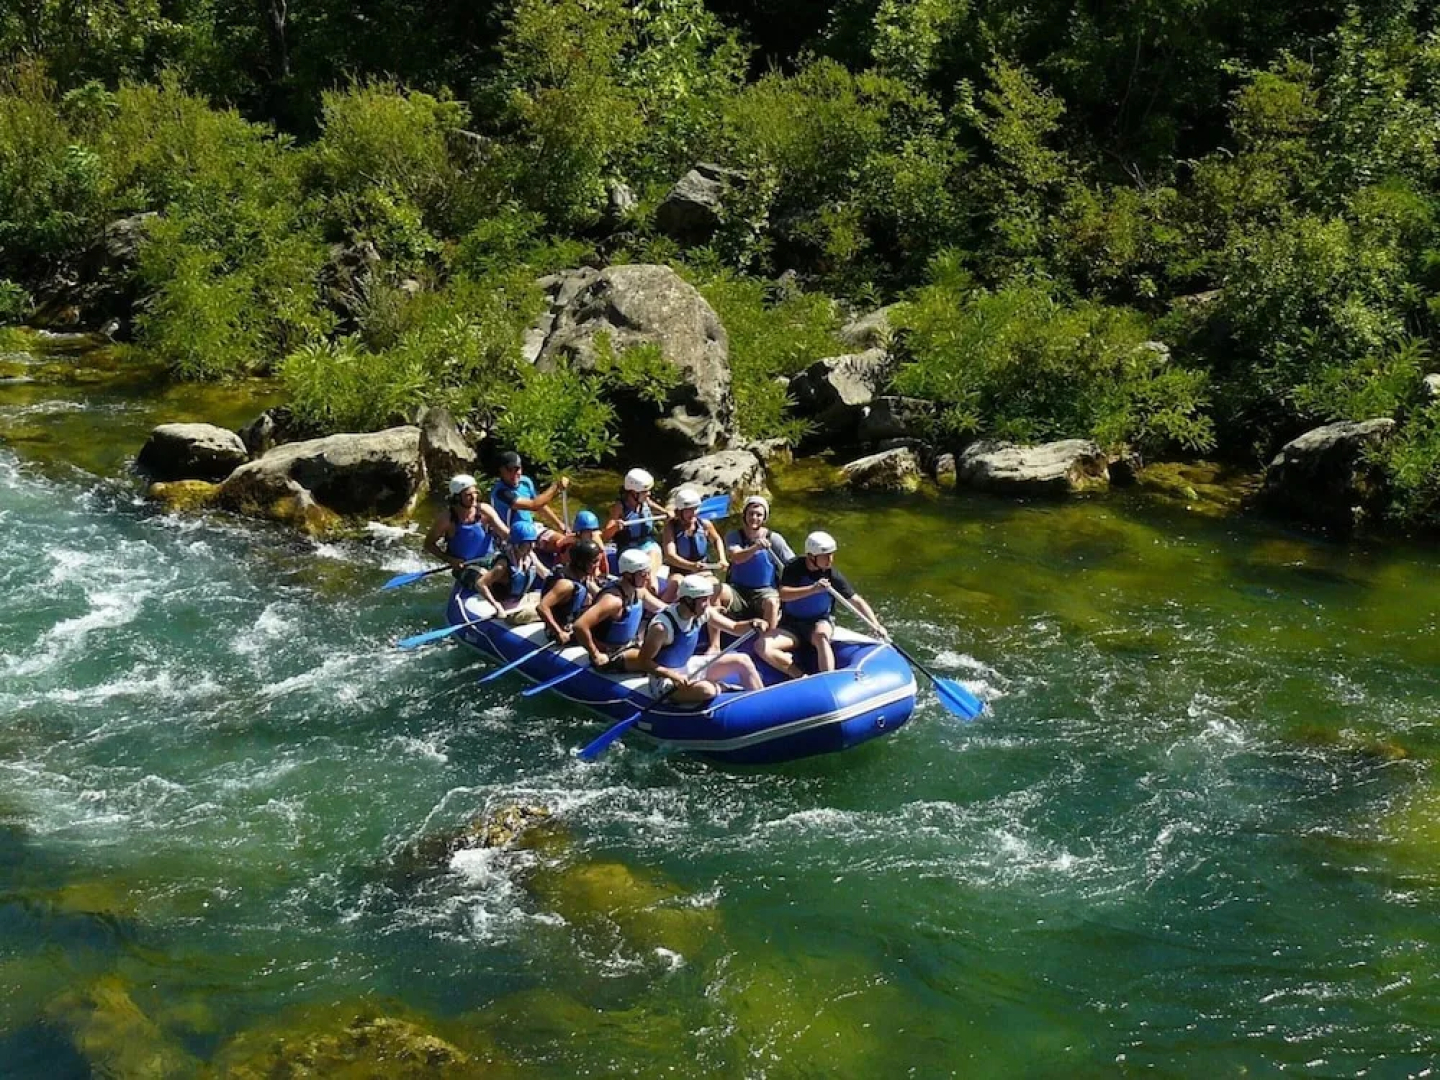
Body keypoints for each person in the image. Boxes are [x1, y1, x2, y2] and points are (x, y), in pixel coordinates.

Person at [757, 530, 886, 678]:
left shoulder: (832, 574)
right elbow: (784, 594)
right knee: (762, 646)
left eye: (831, 555)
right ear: (811, 556)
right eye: (825, 556)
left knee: (821, 637)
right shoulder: (794, 568)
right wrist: (813, 589)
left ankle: (829, 679)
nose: (830, 560)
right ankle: (800, 676)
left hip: (819, 621)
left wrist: (875, 625)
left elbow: (856, 600)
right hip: (791, 625)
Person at [637, 574, 765, 704]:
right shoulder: (662, 627)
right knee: (706, 690)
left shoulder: (702, 613)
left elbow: (734, 628)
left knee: (743, 660)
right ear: (688, 600)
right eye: (704, 600)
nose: (708, 604)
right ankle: (724, 688)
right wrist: (673, 676)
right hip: (663, 680)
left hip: (687, 666)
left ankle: (762, 704)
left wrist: (752, 623)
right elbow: (643, 662)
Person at [571, 547, 666, 673]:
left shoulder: (639, 591)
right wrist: (595, 655)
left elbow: (663, 609)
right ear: (628, 575)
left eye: (648, 573)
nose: (648, 578)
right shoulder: (613, 601)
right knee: (657, 661)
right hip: (611, 655)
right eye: (643, 574)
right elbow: (579, 626)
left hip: (629, 646)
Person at [423, 474, 509, 587]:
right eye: (468, 495)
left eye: (475, 493)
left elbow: (505, 533)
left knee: (510, 576)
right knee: (484, 579)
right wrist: (450, 560)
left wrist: (522, 542)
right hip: (466, 567)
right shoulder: (447, 519)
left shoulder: (484, 511)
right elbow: (429, 544)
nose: (474, 497)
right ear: (457, 497)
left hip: (489, 560)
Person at [724, 495, 795, 630]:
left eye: (759, 515)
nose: (754, 518)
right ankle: (714, 643)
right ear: (744, 514)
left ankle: (767, 641)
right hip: (737, 590)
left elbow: (792, 564)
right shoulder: (734, 536)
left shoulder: (774, 539)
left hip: (765, 592)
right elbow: (737, 557)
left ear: (764, 518)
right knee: (718, 590)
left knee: (772, 603)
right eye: (751, 513)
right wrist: (755, 547)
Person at [661, 487, 730, 602]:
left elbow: (717, 539)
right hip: (680, 570)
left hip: (702, 570)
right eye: (689, 510)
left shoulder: (704, 524)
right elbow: (670, 555)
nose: (693, 513)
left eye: (695, 509)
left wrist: (722, 559)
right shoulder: (671, 527)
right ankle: (658, 613)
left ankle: (712, 612)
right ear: (680, 511)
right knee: (675, 585)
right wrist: (691, 566)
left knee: (714, 586)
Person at [489, 450, 569, 550]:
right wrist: (555, 486)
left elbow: (541, 505)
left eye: (517, 469)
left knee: (565, 544)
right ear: (501, 470)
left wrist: (559, 524)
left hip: (531, 529)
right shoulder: (501, 492)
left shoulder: (525, 482)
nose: (514, 474)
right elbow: (533, 505)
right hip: (513, 536)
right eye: (509, 470)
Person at [474, 519, 546, 624]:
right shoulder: (503, 565)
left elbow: (544, 573)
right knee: (546, 610)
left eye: (533, 542)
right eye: (528, 543)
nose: (532, 546)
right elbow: (480, 584)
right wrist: (496, 605)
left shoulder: (529, 555)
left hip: (523, 599)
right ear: (517, 544)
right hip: (510, 611)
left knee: (554, 600)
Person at [536, 539, 603, 646]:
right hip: (562, 631)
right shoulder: (565, 585)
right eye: (594, 562)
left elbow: (596, 592)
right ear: (581, 563)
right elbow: (542, 607)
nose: (598, 565)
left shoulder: (580, 574)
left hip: (573, 622)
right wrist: (559, 633)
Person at [604, 467, 668, 579]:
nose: (648, 494)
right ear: (633, 493)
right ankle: (648, 582)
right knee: (640, 562)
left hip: (646, 544)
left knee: (654, 552)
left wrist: (666, 512)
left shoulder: (644, 501)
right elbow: (605, 535)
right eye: (645, 492)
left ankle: (650, 580)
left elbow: (652, 505)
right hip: (628, 548)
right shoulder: (619, 507)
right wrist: (615, 527)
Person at [550, 510, 610, 578]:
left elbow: (603, 564)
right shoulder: (570, 546)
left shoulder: (597, 545)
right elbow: (559, 545)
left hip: (594, 575)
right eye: (588, 531)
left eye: (593, 530)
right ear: (579, 532)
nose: (592, 534)